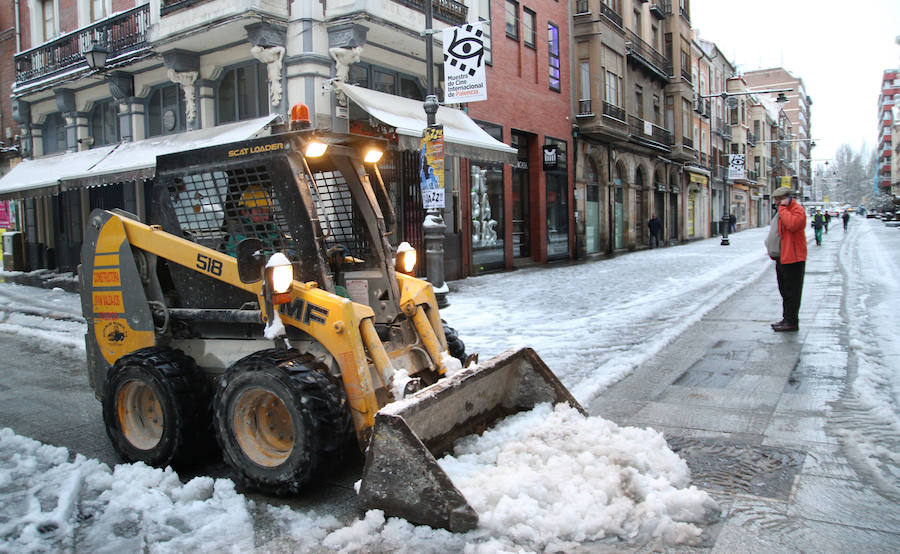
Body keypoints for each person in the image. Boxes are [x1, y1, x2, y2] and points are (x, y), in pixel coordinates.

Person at [768, 187, 807, 332]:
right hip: (782, 256)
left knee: (792, 291)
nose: (776, 203)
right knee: (784, 290)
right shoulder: (781, 211)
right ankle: (786, 318)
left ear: (786, 198)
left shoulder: (797, 210)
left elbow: (792, 225)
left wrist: (783, 209)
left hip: (794, 257)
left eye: (778, 200)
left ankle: (791, 321)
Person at [223, 185, 281, 256]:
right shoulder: (238, 233)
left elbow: (287, 244)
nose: (265, 217)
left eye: (267, 212)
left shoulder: (271, 229)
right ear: (244, 212)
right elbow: (247, 256)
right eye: (260, 212)